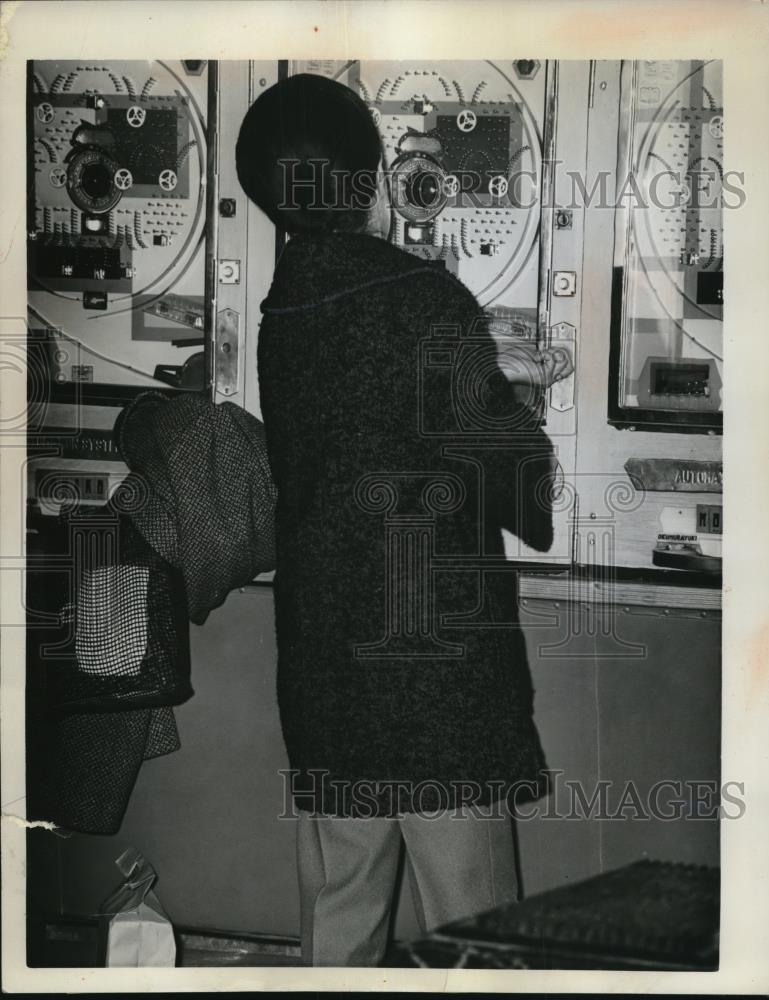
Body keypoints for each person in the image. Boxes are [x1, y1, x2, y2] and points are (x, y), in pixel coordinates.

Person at [235, 72, 573, 967]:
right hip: (431, 677)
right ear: (373, 176)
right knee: (475, 931)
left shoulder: (282, 314)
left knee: (341, 915)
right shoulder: (425, 303)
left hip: (326, 664)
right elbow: (520, 489)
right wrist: (519, 392)